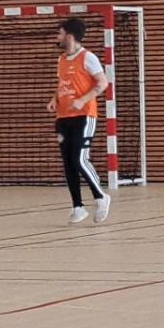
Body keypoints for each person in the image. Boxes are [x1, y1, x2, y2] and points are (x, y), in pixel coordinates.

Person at [52, 18, 112, 225]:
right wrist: (55, 99)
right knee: (68, 163)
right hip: (63, 117)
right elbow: (63, 84)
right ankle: (77, 207)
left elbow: (103, 82)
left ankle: (101, 196)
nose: (58, 37)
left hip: (84, 116)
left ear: (69, 36)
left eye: (60, 33)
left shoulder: (88, 57)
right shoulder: (61, 60)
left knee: (79, 159)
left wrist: (82, 100)